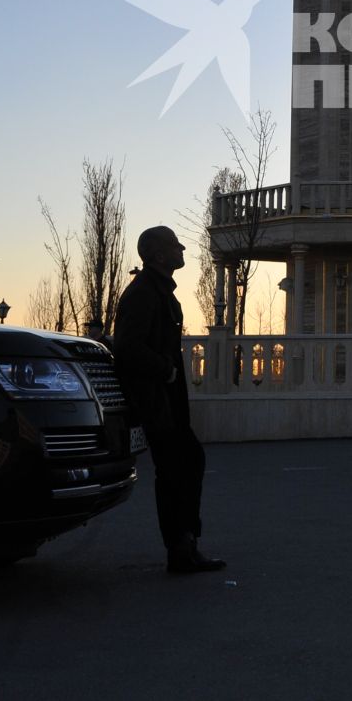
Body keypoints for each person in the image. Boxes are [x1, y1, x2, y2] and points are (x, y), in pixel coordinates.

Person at [113, 225, 225, 574]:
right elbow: (128, 348)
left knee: (185, 464)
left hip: (167, 401)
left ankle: (184, 545)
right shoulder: (145, 293)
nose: (182, 250)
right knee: (178, 468)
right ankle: (181, 548)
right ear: (160, 255)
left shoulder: (158, 291)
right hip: (156, 401)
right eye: (176, 246)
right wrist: (165, 370)